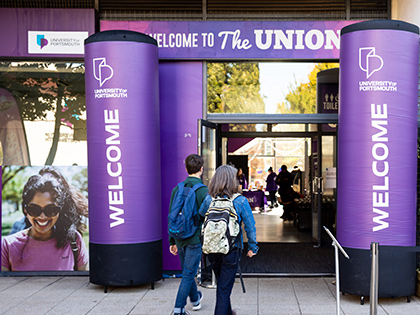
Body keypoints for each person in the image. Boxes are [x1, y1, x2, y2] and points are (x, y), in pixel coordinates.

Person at [1, 166, 89, 271]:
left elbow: (83, 284)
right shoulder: (7, 246)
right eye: (34, 209)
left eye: (51, 209)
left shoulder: (74, 241)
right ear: (25, 210)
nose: (42, 217)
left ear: (59, 210)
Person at [199, 164, 258, 315]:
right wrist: (252, 247)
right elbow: (250, 226)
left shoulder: (208, 199)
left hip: (212, 249)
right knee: (224, 291)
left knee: (223, 286)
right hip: (231, 250)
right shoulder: (240, 201)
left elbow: (200, 216)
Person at [169, 154, 209, 315]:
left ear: (186, 169)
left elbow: (172, 216)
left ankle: (195, 299)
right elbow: (206, 216)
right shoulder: (203, 191)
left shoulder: (177, 188)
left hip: (179, 237)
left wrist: (172, 241)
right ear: (201, 169)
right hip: (194, 238)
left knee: (188, 270)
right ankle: (179, 309)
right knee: (188, 274)